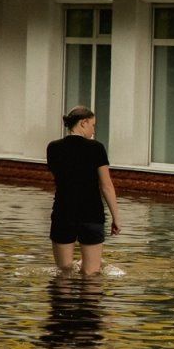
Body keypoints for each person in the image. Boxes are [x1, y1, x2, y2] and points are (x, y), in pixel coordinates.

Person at [47, 106, 121, 276]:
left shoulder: (53, 147)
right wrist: (116, 217)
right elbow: (106, 185)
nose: (93, 130)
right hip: (91, 214)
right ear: (83, 123)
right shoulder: (96, 148)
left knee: (64, 271)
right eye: (93, 125)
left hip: (63, 213)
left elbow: (59, 177)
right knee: (91, 273)